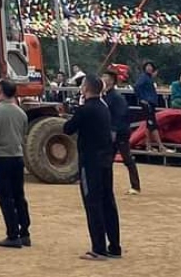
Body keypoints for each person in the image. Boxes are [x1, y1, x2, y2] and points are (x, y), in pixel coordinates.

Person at [63, 74, 121, 260]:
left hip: (90, 161)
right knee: (108, 202)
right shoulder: (104, 107)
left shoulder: (85, 109)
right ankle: (114, 246)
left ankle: (98, 248)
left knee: (92, 203)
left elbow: (68, 129)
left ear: (85, 89)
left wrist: (70, 113)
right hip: (105, 159)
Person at [0, 79, 30, 247]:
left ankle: (12, 234)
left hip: (0, 159)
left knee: (5, 198)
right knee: (19, 196)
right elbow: (23, 136)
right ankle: (24, 232)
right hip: (17, 158)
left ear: (0, 90)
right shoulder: (21, 113)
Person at [102, 69, 141, 194]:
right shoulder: (105, 96)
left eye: (105, 77)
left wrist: (114, 130)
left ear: (112, 80)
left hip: (120, 132)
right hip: (111, 132)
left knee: (127, 158)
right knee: (108, 160)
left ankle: (135, 186)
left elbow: (121, 115)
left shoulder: (116, 97)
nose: (103, 79)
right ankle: (106, 186)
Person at [134, 62, 164, 153]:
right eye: (147, 66)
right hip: (147, 103)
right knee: (152, 124)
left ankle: (149, 145)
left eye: (151, 67)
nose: (149, 68)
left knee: (149, 125)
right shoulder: (144, 78)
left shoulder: (149, 79)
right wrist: (141, 98)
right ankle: (159, 146)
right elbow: (137, 86)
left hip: (150, 103)